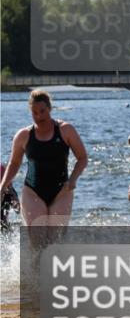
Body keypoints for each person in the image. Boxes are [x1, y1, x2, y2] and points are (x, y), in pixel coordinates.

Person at [0, 90, 87, 228]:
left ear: (50, 108)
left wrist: (73, 180)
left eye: (42, 111)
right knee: (37, 236)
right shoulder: (23, 135)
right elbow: (14, 163)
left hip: (62, 191)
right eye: (34, 112)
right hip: (33, 191)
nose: (39, 116)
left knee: (55, 238)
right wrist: (3, 186)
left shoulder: (66, 130)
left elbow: (82, 158)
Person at [1, 162, 21, 231]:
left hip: (7, 194)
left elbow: (18, 210)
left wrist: (16, 203)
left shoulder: (2, 170)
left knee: (2, 222)